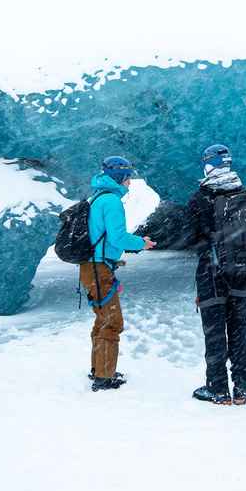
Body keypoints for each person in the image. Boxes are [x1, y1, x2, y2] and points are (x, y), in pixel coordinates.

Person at [186, 144, 246, 406]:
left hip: (212, 273)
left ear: (208, 165)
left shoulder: (201, 198)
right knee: (239, 327)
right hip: (241, 273)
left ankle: (218, 389)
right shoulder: (244, 192)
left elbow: (193, 239)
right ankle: (243, 387)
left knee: (215, 330)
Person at [82, 156, 154, 392]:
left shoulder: (97, 198)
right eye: (128, 177)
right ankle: (104, 377)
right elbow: (118, 237)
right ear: (118, 177)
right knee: (112, 321)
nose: (130, 182)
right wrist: (141, 243)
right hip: (99, 267)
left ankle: (100, 369)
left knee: (102, 318)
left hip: (92, 266)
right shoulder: (111, 201)